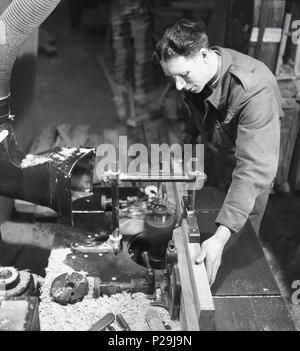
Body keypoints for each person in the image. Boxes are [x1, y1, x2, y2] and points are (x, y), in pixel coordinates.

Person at [153, 19, 283, 286]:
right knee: (199, 228)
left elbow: (253, 171)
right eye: (171, 78)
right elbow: (197, 110)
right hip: (217, 156)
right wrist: (186, 141)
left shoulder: (255, 90)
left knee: (234, 256)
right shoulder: (197, 74)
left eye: (183, 75)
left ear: (203, 55)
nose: (178, 86)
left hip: (249, 176)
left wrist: (222, 236)